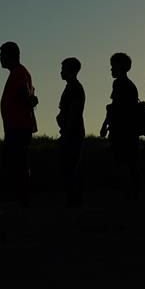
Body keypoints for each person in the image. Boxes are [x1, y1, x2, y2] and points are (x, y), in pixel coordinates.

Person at [0, 41, 38, 206]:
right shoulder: (19, 73)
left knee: (18, 165)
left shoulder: (19, 74)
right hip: (17, 126)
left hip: (18, 127)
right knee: (18, 164)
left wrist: (29, 100)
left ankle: (23, 199)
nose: (0, 59)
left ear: (10, 55)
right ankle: (22, 199)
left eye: (2, 55)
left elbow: (25, 97)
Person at [100, 52, 141, 198]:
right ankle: (132, 194)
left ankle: (126, 194)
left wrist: (105, 124)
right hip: (130, 130)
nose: (111, 69)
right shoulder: (130, 85)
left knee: (121, 162)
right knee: (130, 163)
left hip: (121, 130)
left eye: (113, 66)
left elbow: (115, 106)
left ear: (120, 67)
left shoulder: (119, 84)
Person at [57, 57, 86, 207]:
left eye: (63, 68)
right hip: (70, 132)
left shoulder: (74, 88)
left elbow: (74, 113)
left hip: (72, 133)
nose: (61, 72)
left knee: (71, 168)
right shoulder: (71, 87)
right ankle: (73, 200)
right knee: (69, 167)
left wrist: (66, 132)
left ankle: (74, 201)